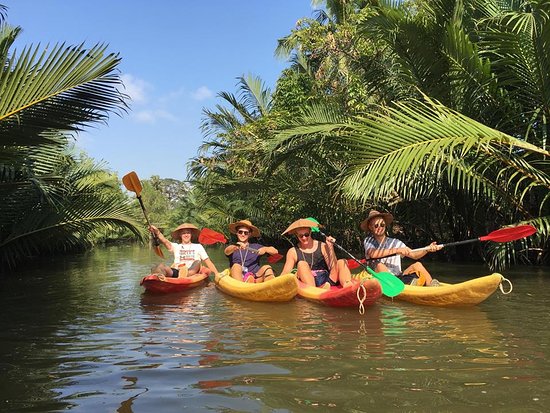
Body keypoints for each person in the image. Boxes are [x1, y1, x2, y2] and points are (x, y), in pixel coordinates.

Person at [361, 210, 441, 286]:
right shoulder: (369, 240)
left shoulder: (395, 242)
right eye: (376, 226)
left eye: (382, 225)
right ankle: (404, 284)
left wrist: (427, 249)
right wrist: (397, 250)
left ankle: (431, 285)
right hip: (381, 278)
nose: (380, 228)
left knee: (418, 265)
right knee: (379, 265)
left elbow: (414, 255)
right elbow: (373, 254)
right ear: (370, 227)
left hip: (398, 276)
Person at [280, 218, 352, 289]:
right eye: (301, 236)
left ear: (310, 232)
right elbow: (285, 273)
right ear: (296, 236)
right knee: (301, 264)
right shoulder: (292, 251)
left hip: (328, 282)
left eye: (306, 234)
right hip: (310, 284)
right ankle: (314, 290)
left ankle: (348, 286)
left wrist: (330, 247)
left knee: (342, 261)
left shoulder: (322, 246)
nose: (304, 238)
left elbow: (333, 268)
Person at [149, 223, 219, 276]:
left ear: (191, 234)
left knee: (197, 262)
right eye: (183, 233)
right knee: (160, 266)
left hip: (191, 271)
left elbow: (208, 262)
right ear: (180, 235)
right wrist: (157, 232)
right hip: (177, 272)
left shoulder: (198, 246)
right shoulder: (176, 246)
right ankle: (157, 276)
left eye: (188, 233)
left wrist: (217, 274)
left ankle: (186, 273)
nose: (186, 235)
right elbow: (165, 241)